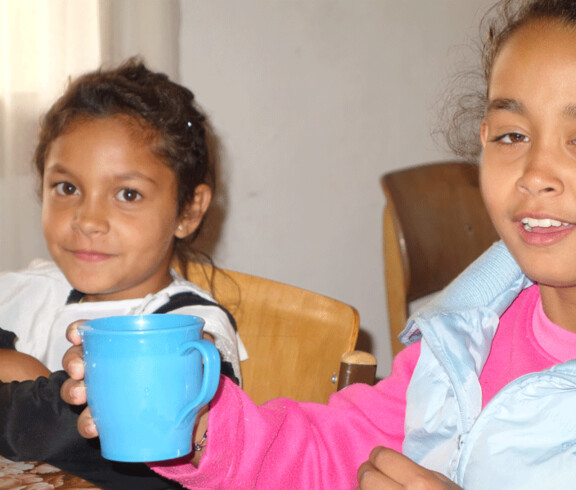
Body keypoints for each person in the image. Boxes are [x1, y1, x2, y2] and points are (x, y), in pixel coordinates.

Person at [62, 0, 576, 488]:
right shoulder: (465, 337)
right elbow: (335, 453)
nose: (536, 175)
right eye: (513, 136)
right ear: (484, 140)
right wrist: (194, 423)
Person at [0, 58, 246, 489]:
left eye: (127, 194)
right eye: (67, 188)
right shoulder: (28, 290)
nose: (88, 219)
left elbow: (84, 433)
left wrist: (21, 372)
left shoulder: (194, 328)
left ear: (188, 211)